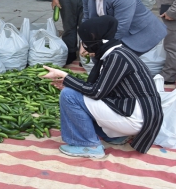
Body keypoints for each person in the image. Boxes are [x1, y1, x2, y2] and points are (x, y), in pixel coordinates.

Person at [40, 16, 163, 158]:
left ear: (95, 40)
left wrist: (65, 76)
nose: (84, 46)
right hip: (136, 112)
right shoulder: (119, 51)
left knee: (68, 95)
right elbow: (102, 88)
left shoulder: (116, 57)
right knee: (75, 93)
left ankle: (88, 145)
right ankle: (114, 136)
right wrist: (71, 83)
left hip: (136, 118)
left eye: (85, 41)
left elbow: (96, 92)